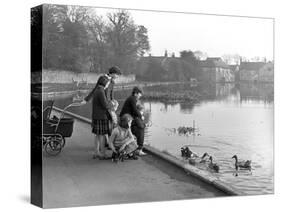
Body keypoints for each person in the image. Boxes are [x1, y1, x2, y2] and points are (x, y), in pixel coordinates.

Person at [83, 75, 110, 159]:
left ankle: (96, 152)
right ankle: (102, 154)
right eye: (108, 83)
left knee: (97, 135)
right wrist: (113, 104)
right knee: (102, 135)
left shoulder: (97, 89)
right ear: (105, 83)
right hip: (101, 116)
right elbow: (105, 105)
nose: (108, 84)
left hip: (96, 115)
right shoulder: (101, 91)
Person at [120, 87, 146, 156]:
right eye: (140, 94)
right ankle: (139, 149)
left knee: (140, 126)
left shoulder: (131, 98)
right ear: (136, 93)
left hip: (126, 118)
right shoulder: (133, 99)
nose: (140, 95)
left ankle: (137, 148)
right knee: (141, 127)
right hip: (126, 118)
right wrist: (141, 116)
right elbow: (135, 110)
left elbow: (134, 110)